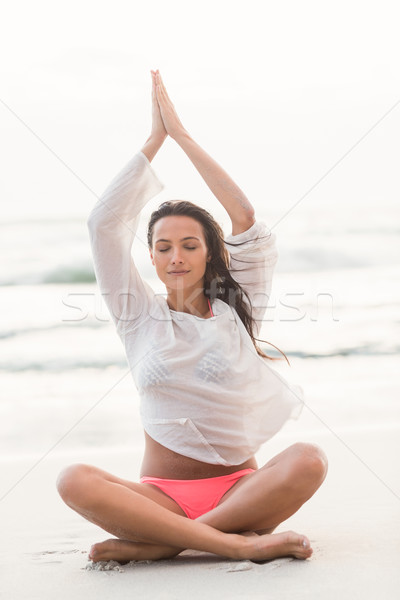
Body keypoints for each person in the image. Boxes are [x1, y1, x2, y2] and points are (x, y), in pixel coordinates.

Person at [56, 69, 328, 564]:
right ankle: (228, 544)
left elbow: (244, 217)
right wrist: (154, 141)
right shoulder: (136, 315)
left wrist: (182, 136)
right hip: (159, 498)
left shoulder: (237, 308)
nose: (176, 255)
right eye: (163, 247)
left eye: (188, 244)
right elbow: (102, 225)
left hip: (241, 494)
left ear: (208, 253)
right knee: (72, 478)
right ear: (153, 259)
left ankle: (169, 542)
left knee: (310, 459)